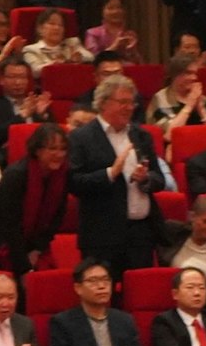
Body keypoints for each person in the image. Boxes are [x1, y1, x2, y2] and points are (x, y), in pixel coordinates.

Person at [67, 75, 165, 275]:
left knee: (139, 295)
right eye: (123, 102)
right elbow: (74, 183)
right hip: (102, 237)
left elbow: (159, 179)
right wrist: (110, 173)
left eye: (132, 102)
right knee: (104, 297)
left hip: (141, 235)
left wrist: (145, 179)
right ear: (103, 103)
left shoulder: (141, 136)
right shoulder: (81, 138)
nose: (130, 107)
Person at [0, 122, 69, 278]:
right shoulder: (16, 174)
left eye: (63, 149)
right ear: (37, 150)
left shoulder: (62, 174)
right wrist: (25, 267)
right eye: (53, 149)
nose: (59, 154)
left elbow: (57, 216)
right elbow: (10, 225)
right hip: (4, 241)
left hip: (36, 242)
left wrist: (37, 250)